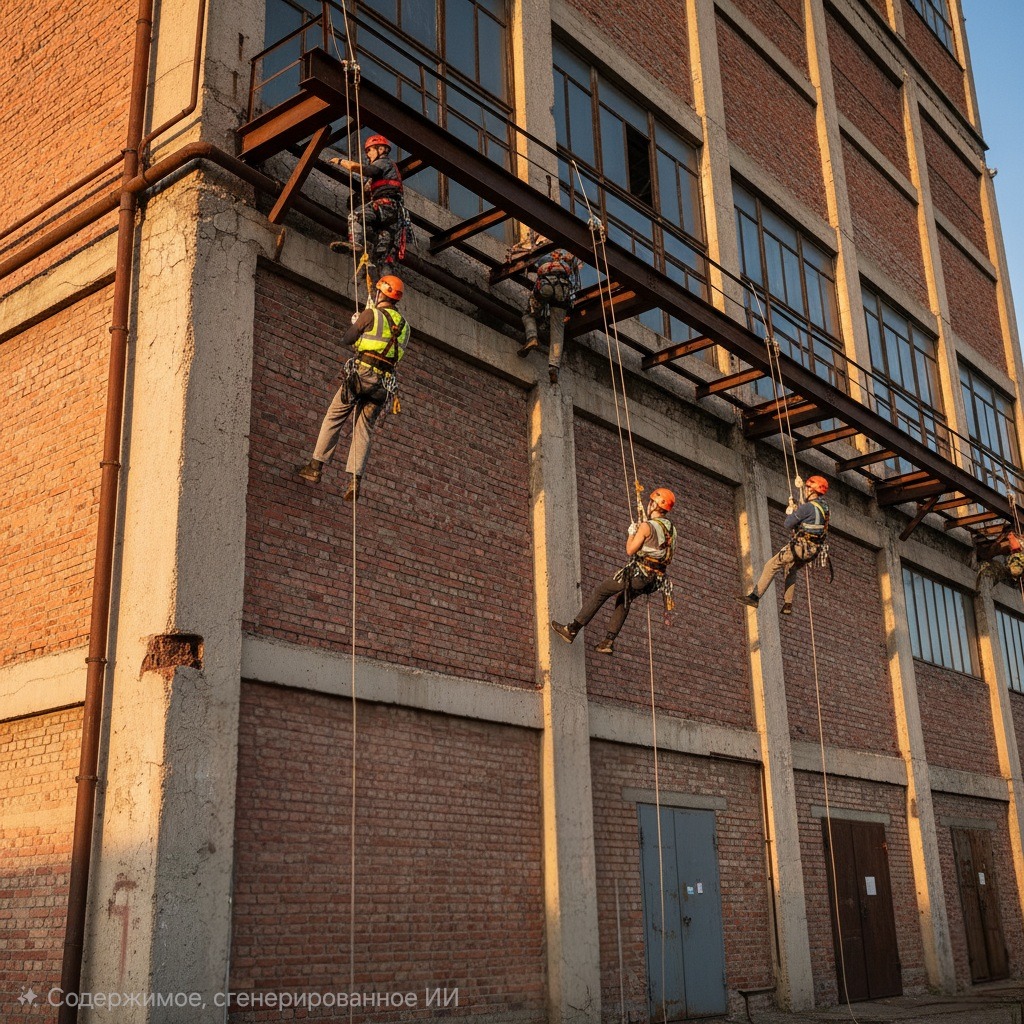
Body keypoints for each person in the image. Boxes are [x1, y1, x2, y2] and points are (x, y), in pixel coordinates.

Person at [297, 275, 410, 501]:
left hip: (362, 375)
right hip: (383, 385)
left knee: (334, 417)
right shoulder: (405, 327)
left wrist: (357, 323)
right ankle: (355, 480)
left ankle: (315, 466)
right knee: (364, 430)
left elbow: (348, 340)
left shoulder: (372, 315)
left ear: (381, 294)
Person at [551, 488, 677, 655]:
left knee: (602, 590)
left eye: (651, 502)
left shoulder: (647, 527)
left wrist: (632, 533)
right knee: (624, 597)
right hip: (656, 581)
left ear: (654, 505)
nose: (649, 504)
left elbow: (630, 550)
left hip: (641, 575)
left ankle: (572, 629)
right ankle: (608, 642)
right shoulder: (672, 530)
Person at [741, 475, 830, 615]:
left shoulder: (807, 508)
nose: (805, 490)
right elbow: (812, 523)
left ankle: (754, 597)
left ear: (813, 491)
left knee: (771, 565)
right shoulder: (824, 508)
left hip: (801, 547)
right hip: (813, 551)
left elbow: (788, 524)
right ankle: (788, 604)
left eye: (807, 488)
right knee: (791, 567)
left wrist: (794, 512)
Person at [507, 232, 581, 384]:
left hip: (546, 285)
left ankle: (532, 337)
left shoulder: (538, 245)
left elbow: (519, 256)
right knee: (558, 330)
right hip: (563, 290)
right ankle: (554, 367)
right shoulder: (567, 250)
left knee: (528, 314)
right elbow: (575, 268)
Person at [329, 134, 406, 280]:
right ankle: (384, 286)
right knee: (382, 255)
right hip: (393, 218)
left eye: (370, 150)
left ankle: (355, 244)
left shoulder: (384, 163)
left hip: (385, 207)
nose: (368, 155)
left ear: (381, 149)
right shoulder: (387, 172)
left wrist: (340, 161)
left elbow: (366, 170)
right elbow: (367, 188)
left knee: (356, 217)